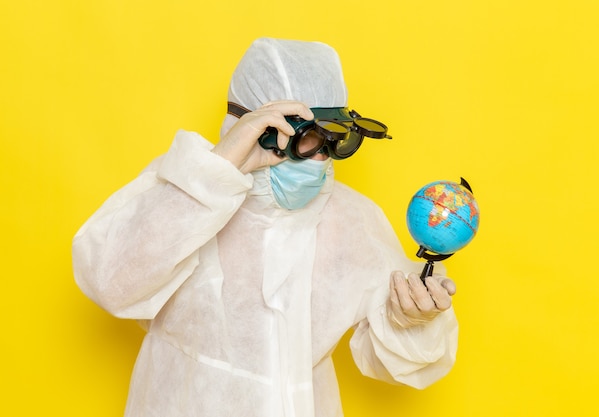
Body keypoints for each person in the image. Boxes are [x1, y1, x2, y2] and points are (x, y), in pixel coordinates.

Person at [72, 37, 458, 417]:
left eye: (331, 137)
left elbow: (387, 361)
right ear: (254, 126)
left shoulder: (354, 218)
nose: (318, 156)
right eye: (303, 137)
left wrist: (408, 321)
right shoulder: (183, 187)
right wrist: (217, 170)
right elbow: (110, 283)